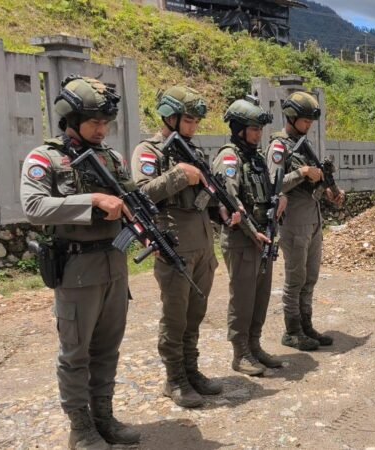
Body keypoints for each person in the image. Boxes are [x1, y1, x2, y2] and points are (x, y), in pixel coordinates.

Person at [21, 75, 140, 449]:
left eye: (106, 123)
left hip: (115, 265)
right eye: (94, 122)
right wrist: (92, 201)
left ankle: (104, 418)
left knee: (107, 349)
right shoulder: (45, 158)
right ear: (71, 119)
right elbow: (34, 207)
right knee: (75, 354)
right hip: (76, 272)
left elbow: (131, 199)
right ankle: (81, 428)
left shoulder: (112, 158)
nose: (102, 130)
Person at [131, 86, 222, 408]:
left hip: (203, 243)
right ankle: (174, 378)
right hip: (175, 245)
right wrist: (179, 176)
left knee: (195, 313)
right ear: (169, 117)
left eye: (197, 122)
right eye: (188, 120)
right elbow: (140, 195)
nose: (194, 127)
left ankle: (191, 370)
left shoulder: (191, 150)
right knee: (175, 316)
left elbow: (208, 197)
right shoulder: (149, 151)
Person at [265, 91, 345, 351]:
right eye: (305, 120)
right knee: (295, 279)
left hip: (312, 220)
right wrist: (302, 172)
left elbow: (312, 185)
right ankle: (292, 331)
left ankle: (306, 326)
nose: (309, 125)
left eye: (311, 120)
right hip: (294, 223)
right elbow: (273, 185)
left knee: (310, 277)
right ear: (291, 117)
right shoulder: (279, 147)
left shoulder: (303, 146)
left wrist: (329, 191)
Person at [212, 96, 282, 376]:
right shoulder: (229, 158)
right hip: (242, 239)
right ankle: (240, 353)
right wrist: (254, 233)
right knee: (242, 298)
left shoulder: (256, 157)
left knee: (260, 296)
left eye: (260, 129)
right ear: (239, 129)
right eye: (254, 129)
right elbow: (230, 199)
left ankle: (254, 345)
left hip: (262, 238)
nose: (258, 134)